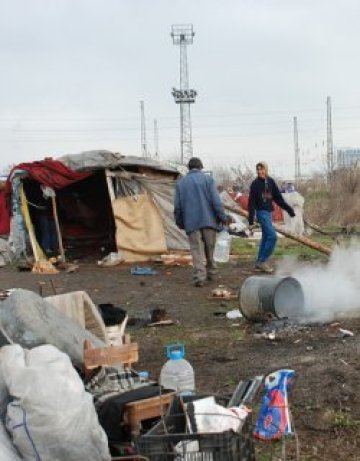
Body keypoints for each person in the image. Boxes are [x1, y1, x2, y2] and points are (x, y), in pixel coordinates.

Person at [174, 157, 229, 287]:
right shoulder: (208, 180)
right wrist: (222, 217)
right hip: (209, 220)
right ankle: (212, 273)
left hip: (191, 222)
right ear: (201, 167)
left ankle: (199, 277)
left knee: (196, 250)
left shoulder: (181, 183)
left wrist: (180, 222)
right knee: (210, 247)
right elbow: (216, 202)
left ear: (189, 168)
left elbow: (178, 206)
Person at [248, 161, 295, 273]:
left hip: (269, 213)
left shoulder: (271, 182)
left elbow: (278, 198)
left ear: (266, 170)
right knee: (272, 236)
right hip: (261, 213)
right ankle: (262, 261)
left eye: (262, 169)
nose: (260, 171)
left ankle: (259, 261)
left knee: (265, 237)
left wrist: (289, 210)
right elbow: (251, 203)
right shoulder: (255, 184)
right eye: (258, 169)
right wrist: (250, 220)